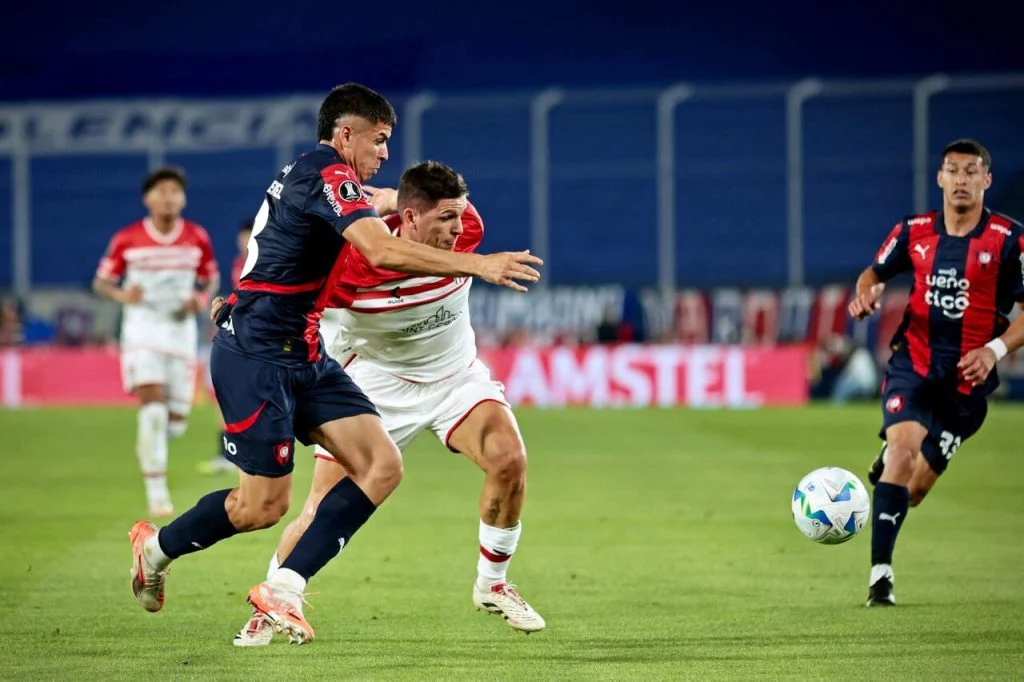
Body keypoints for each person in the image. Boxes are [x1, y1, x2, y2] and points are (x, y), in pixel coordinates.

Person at [126, 83, 542, 645]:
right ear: (346, 134)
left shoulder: (328, 179)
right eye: (379, 138)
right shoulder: (322, 176)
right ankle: (155, 549)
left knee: (383, 466)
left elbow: (335, 215)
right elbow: (381, 249)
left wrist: (397, 200)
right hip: (256, 357)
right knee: (261, 507)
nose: (386, 151)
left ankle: (285, 589)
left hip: (306, 352)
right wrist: (480, 265)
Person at [233, 161, 544, 646]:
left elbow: (395, 200)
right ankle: (273, 599)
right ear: (411, 218)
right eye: (444, 218)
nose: (458, 229)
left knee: (509, 460)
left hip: (454, 376)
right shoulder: (350, 263)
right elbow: (287, 294)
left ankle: (493, 584)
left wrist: (387, 197)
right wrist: (239, 308)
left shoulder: (467, 227)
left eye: (459, 216)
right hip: (375, 385)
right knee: (320, 507)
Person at [849, 138, 1024, 607]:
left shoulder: (1010, 240)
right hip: (914, 363)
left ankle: (893, 471)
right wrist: (867, 293)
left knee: (916, 490)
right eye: (953, 170)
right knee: (901, 456)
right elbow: (873, 273)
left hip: (966, 384)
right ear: (940, 178)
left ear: (986, 181)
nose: (961, 179)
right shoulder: (914, 231)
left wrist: (993, 349)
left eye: (972, 172)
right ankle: (880, 578)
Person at [94, 166, 220, 517]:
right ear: (147, 198)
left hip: (180, 335)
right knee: (151, 409)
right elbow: (101, 282)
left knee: (174, 424)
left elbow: (210, 279)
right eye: (161, 191)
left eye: (174, 191)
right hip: (142, 332)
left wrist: (198, 299)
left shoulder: (196, 237)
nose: (168, 197)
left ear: (183, 198)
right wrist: (123, 295)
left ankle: (151, 441)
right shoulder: (128, 238)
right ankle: (156, 493)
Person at [199, 218, 255, 475]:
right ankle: (228, 453)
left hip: (256, 340)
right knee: (226, 396)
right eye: (243, 237)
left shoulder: (267, 259)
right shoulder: (237, 263)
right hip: (238, 337)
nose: (246, 241)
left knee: (241, 397)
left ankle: (240, 453)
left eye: (250, 236)